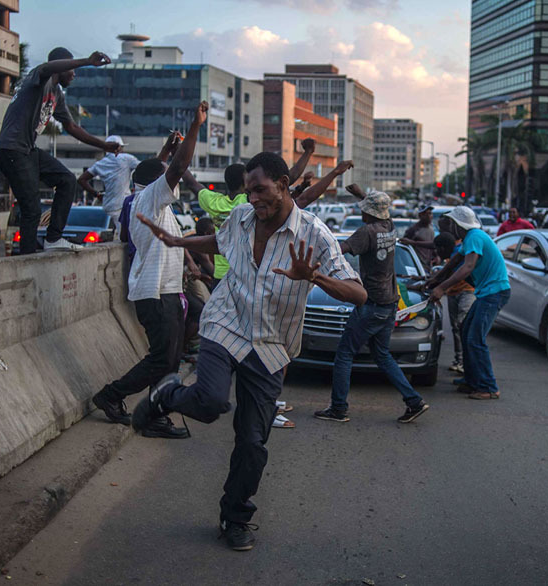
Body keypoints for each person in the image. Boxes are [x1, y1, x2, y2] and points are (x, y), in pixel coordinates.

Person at [131, 152, 366, 551]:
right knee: (208, 403)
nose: (253, 198)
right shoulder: (241, 217)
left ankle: (234, 515)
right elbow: (220, 241)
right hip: (226, 324)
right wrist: (177, 241)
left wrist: (315, 277)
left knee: (253, 442)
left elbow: (358, 294)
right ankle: (167, 394)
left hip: (271, 347)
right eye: (248, 191)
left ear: (284, 184)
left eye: (260, 190)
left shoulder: (314, 234)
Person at [90, 103, 207, 439]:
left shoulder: (138, 200)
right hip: (156, 294)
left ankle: (156, 415)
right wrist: (195, 126)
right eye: (166, 177)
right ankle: (112, 395)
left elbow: (157, 169)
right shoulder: (150, 200)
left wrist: (166, 152)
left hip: (163, 291)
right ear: (158, 184)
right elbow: (175, 168)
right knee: (162, 360)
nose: (174, 181)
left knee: (168, 360)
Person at [314, 187, 429, 424]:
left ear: (368, 213)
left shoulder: (366, 232)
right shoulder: (390, 228)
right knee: (382, 355)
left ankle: (338, 408)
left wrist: (314, 262)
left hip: (371, 303)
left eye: (363, 209)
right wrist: (362, 196)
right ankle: (414, 401)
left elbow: (340, 249)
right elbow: (380, 213)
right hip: (389, 303)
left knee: (345, 354)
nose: (361, 212)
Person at [0, 47, 119, 254]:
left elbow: (72, 127)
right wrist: (86, 60)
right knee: (31, 208)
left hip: (28, 150)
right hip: (11, 149)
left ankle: (53, 238)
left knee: (67, 180)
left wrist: (104, 145)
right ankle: (26, 258)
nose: (74, 74)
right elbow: (49, 67)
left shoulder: (57, 94)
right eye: (71, 70)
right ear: (62, 67)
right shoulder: (40, 78)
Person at [181, 138, 318, 285]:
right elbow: (288, 177)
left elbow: (190, 182)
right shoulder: (249, 201)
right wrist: (307, 153)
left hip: (221, 275)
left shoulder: (214, 202)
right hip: (246, 273)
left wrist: (178, 150)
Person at [427, 206, 510, 400]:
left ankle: (488, 386)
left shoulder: (475, 236)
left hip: (494, 292)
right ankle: (472, 380)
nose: (448, 228)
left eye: (450, 224)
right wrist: (435, 279)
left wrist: (441, 288)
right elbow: (454, 261)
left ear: (458, 225)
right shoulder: (468, 239)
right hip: (487, 292)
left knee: (475, 338)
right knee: (466, 331)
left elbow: (468, 267)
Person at [430, 230, 475, 374]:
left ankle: (468, 364)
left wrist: (440, 287)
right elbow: (445, 272)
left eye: (437, 249)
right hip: (452, 292)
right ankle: (460, 360)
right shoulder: (451, 254)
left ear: (442, 248)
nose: (436, 253)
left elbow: (460, 271)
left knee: (465, 326)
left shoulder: (458, 252)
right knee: (457, 328)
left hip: (468, 291)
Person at [77, 135, 140, 232]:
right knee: (125, 237)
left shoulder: (100, 164)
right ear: (118, 147)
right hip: (123, 205)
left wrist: (96, 194)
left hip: (108, 206)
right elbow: (144, 167)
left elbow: (81, 180)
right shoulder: (126, 159)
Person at [399, 205, 436, 270]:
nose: (429, 216)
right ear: (420, 216)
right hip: (417, 267)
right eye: (426, 214)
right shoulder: (413, 230)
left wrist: (436, 256)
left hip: (428, 267)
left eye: (430, 213)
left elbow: (433, 246)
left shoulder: (431, 229)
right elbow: (403, 248)